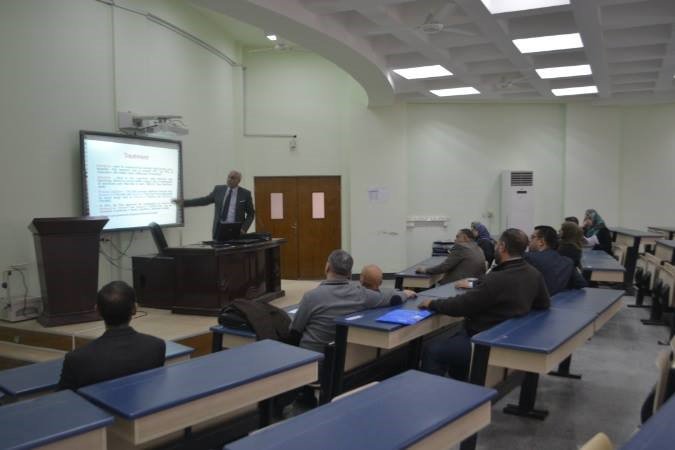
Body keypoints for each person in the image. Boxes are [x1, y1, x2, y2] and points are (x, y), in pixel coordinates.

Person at [418, 229, 550, 380]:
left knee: (432, 350)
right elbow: (543, 304)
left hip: (484, 341)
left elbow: (460, 306)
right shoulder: (534, 273)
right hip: (511, 337)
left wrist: (432, 303)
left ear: (502, 246)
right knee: (454, 343)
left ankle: (435, 394)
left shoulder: (495, 279)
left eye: (497, 245)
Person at [290, 250, 415, 353]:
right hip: (341, 360)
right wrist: (404, 293)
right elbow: (394, 298)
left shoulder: (311, 297)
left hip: (312, 361)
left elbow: (294, 331)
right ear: (349, 273)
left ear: (327, 267)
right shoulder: (362, 295)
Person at [58, 281, 165, 390]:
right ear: (135, 309)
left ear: (97, 311)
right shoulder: (157, 346)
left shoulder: (76, 359)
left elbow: (61, 397)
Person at [173, 170, 255, 239]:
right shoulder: (219, 190)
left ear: (239, 180)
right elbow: (204, 200)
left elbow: (251, 214)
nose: (229, 179)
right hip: (219, 229)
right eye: (228, 177)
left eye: (232, 178)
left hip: (236, 230)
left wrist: (244, 228)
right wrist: (185, 203)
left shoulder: (245, 194)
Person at [525, 225, 586, 295]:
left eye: (532, 237)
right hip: (558, 300)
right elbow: (581, 283)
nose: (529, 241)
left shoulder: (528, 257)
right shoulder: (567, 262)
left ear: (541, 242)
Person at [415, 229, 486, 285]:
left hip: (455, 286)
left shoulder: (460, 247)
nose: (455, 239)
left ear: (465, 238)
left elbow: (444, 267)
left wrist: (425, 270)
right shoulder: (479, 248)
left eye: (457, 237)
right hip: (473, 285)